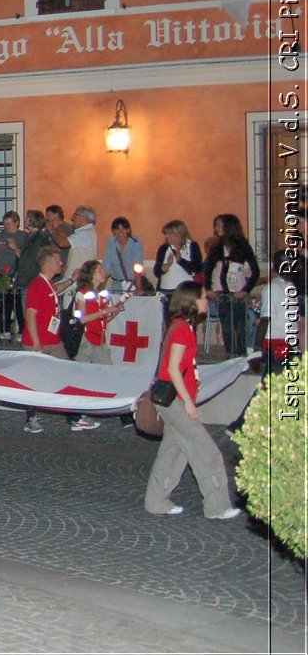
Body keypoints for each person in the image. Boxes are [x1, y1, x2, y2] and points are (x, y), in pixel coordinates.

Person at [143, 282, 242, 519]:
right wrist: (187, 401)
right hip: (175, 401)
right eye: (204, 298)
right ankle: (217, 507)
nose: (207, 301)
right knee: (206, 452)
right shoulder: (181, 330)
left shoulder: (181, 327)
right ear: (192, 301)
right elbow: (173, 369)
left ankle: (156, 501)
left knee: (173, 454)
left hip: (172, 400)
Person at [20, 247, 98, 433]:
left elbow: (55, 290)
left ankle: (74, 416)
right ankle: (31, 418)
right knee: (34, 382)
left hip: (53, 342)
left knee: (68, 374)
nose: (61, 263)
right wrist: (36, 342)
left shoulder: (47, 284)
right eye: (58, 261)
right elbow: (30, 315)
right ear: (48, 264)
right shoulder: (37, 285)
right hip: (37, 343)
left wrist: (71, 280)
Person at [203, 214, 259, 358]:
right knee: (226, 325)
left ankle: (241, 355)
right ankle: (231, 354)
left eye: (219, 225)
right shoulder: (217, 245)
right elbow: (208, 269)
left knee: (240, 324)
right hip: (221, 292)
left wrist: (245, 290)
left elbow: (255, 271)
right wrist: (209, 288)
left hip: (237, 291)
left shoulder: (242, 244)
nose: (216, 228)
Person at [72, 260, 124, 366]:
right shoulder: (82, 294)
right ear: (90, 275)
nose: (103, 273)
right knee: (84, 372)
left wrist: (114, 312)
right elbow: (82, 319)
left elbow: (102, 320)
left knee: (107, 370)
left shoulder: (100, 295)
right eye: (99, 271)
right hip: (86, 339)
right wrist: (105, 311)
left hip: (99, 339)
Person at [102, 217, 145, 293]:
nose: (120, 232)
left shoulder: (135, 242)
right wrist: (101, 288)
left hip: (133, 283)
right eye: (117, 229)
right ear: (113, 231)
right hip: (117, 283)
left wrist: (138, 287)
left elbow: (138, 266)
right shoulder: (111, 242)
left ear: (128, 230)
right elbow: (106, 267)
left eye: (123, 228)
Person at [62, 206, 98, 278]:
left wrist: (52, 229)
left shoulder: (85, 233)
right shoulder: (86, 232)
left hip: (77, 278)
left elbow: (62, 243)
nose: (72, 218)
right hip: (77, 277)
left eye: (75, 215)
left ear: (84, 218)